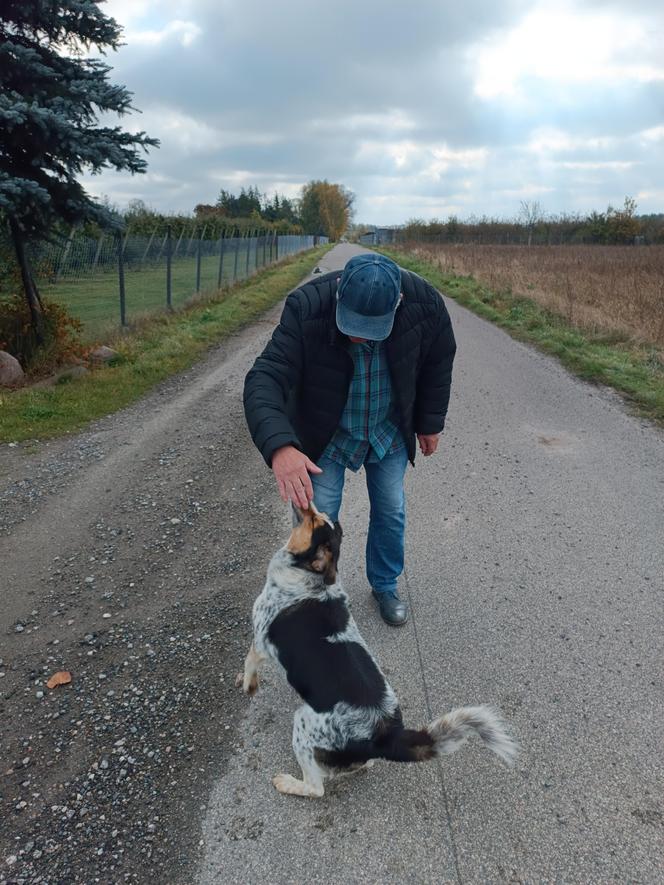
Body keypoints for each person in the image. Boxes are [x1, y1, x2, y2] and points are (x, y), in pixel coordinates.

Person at [243, 252, 456, 626]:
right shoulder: (306, 307)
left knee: (391, 510)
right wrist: (280, 446)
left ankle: (385, 584)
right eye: (352, 324)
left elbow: (440, 360)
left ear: (398, 304)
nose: (359, 335)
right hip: (327, 435)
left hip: (386, 429)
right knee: (317, 519)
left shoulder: (425, 304)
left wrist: (430, 421)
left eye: (372, 327)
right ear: (339, 293)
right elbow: (265, 377)